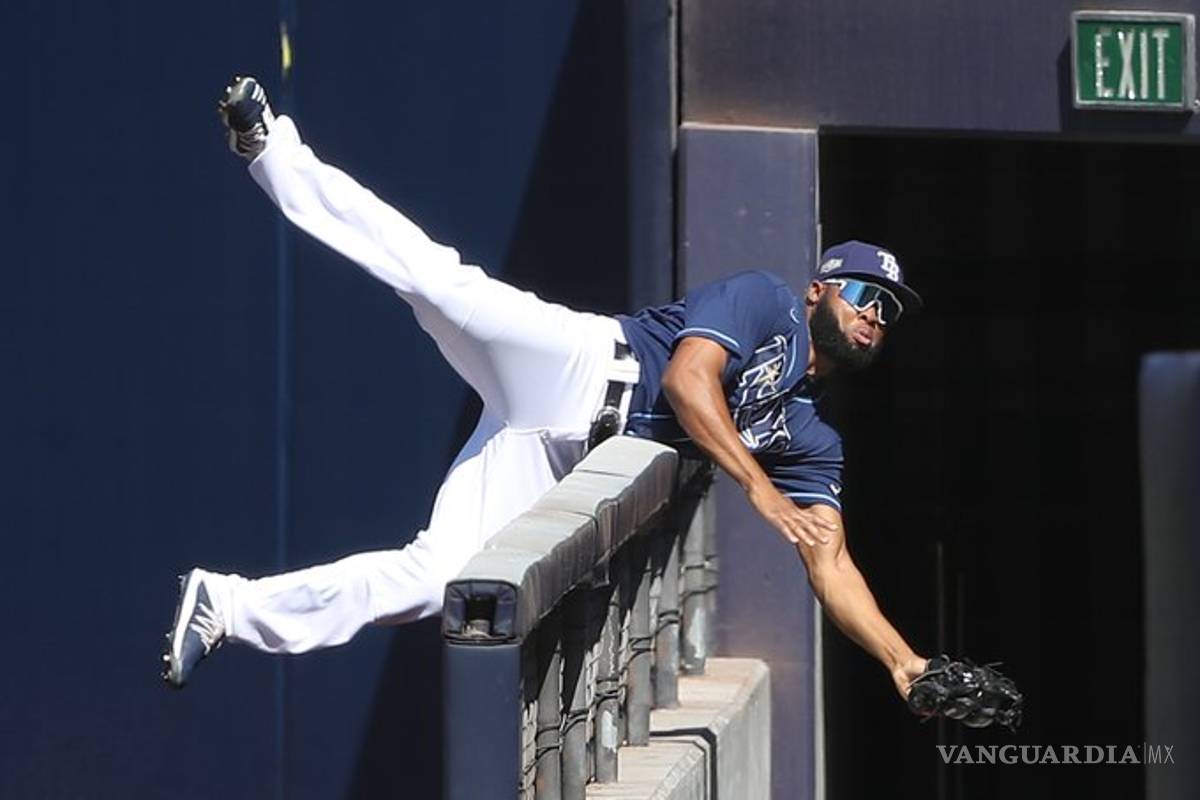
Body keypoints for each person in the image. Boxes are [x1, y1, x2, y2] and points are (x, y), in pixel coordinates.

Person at [163, 77, 929, 701]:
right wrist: (760, 491)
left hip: (557, 461)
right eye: (863, 292)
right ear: (818, 290)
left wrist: (904, 662)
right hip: (580, 363)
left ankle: (227, 606)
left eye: (887, 311)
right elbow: (688, 378)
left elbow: (829, 559)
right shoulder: (766, 302)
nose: (873, 313)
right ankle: (272, 148)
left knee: (434, 583)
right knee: (431, 277)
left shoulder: (809, 434)